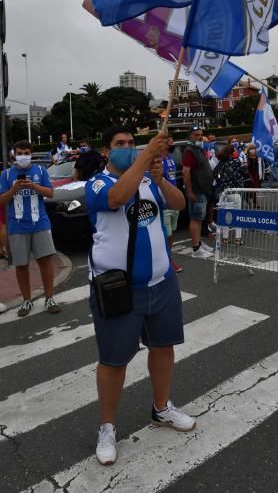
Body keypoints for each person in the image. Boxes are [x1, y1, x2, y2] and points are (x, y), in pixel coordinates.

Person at [85, 126, 194, 466]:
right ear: (106, 151)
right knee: (114, 361)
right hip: (119, 290)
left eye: (132, 144)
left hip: (161, 284)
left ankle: (161, 408)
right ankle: (107, 426)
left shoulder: (148, 181)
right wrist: (147, 156)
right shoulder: (97, 183)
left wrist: (160, 179)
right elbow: (117, 198)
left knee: (163, 348)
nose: (128, 148)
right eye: (120, 144)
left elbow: (179, 203)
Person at [0, 140, 61, 317]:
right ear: (14, 154)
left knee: (45, 262)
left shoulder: (40, 171)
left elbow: (50, 193)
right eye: (20, 153)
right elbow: (1, 201)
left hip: (40, 223)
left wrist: (34, 186)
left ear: (31, 154)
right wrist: (13, 190)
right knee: (21, 265)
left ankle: (50, 298)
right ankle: (27, 300)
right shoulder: (6, 174)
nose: (23, 156)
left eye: (27, 153)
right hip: (17, 226)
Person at [182, 127, 214, 259]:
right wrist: (189, 191)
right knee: (196, 219)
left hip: (203, 190)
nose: (200, 137)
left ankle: (199, 243)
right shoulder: (189, 151)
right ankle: (196, 248)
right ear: (190, 136)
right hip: (196, 190)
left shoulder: (198, 149)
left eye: (201, 135)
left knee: (200, 219)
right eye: (196, 135)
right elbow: (186, 171)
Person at [214, 144, 245, 245]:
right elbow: (242, 172)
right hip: (234, 191)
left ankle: (225, 239)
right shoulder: (235, 162)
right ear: (232, 152)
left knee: (226, 216)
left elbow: (214, 174)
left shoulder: (220, 164)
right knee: (237, 215)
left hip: (223, 193)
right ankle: (238, 239)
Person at [162, 137, 183, 273]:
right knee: (166, 234)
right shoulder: (157, 159)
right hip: (163, 203)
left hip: (172, 202)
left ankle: (168, 259)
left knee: (171, 234)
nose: (172, 143)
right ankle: (165, 261)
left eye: (172, 140)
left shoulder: (170, 157)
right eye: (169, 141)